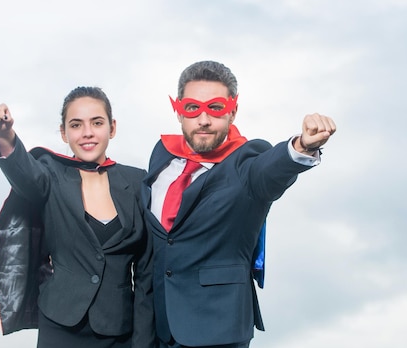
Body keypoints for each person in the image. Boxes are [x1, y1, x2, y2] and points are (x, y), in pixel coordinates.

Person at [141, 60, 337, 348]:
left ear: (233, 111)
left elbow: (272, 169)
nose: (204, 120)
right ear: (179, 111)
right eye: (193, 108)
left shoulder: (247, 164)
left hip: (217, 329)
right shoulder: (162, 156)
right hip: (159, 329)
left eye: (216, 108)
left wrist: (301, 147)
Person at [0, 86, 155, 348]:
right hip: (61, 325)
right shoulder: (49, 175)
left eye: (97, 123)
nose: (87, 132)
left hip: (120, 328)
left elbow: (146, 273)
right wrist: (4, 134)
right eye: (76, 125)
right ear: (64, 133)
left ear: (112, 127)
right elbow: (24, 176)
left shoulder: (137, 181)